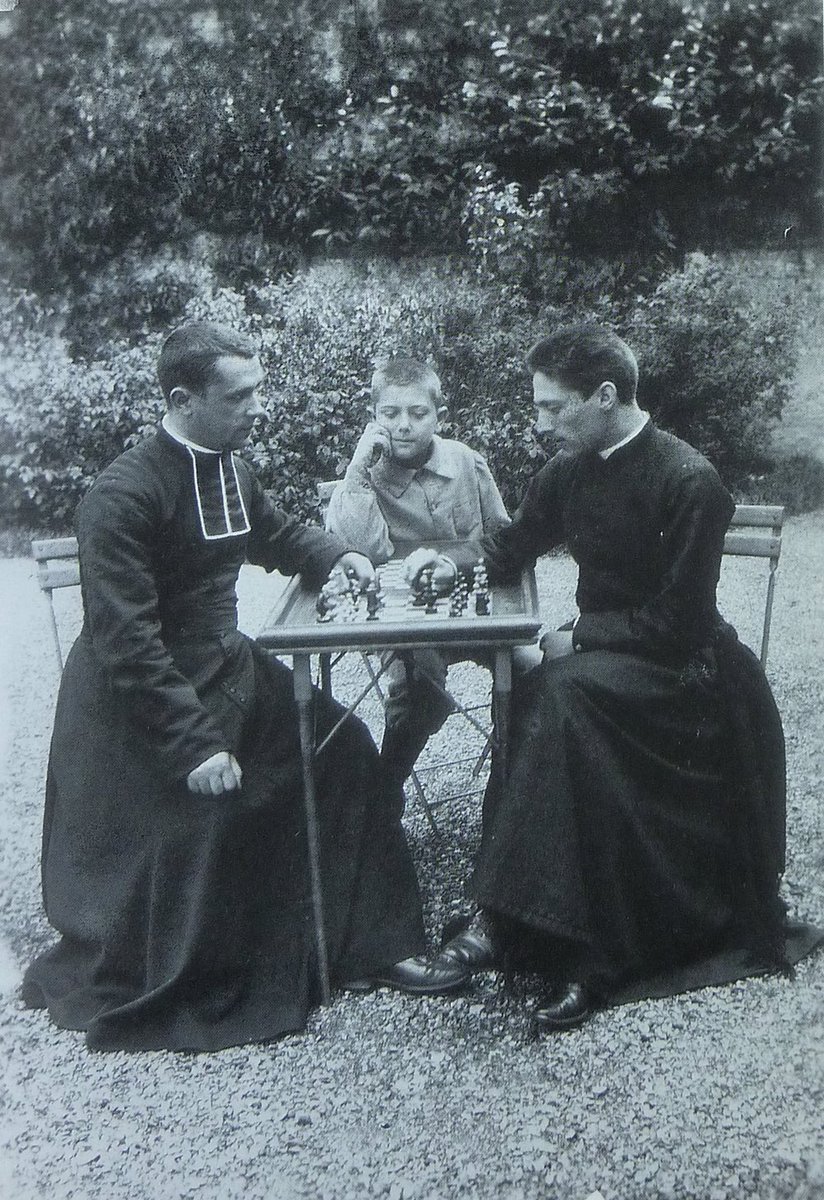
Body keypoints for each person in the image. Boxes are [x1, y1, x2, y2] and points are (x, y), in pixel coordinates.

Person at [22, 322, 467, 1054]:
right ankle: (274, 947)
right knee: (220, 820)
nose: (259, 407)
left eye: (258, 389)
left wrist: (337, 556)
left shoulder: (229, 462)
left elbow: (274, 533)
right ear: (183, 399)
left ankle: (371, 946)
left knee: (347, 747)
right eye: (241, 395)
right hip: (143, 708)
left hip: (227, 665)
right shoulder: (121, 495)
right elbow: (127, 644)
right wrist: (193, 745)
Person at [437, 322, 796, 1031]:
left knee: (563, 692)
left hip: (687, 676)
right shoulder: (569, 468)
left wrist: (576, 637)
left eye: (551, 407)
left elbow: (679, 623)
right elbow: (512, 545)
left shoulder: (689, 479)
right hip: (607, 664)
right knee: (541, 689)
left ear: (605, 396)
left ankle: (579, 954)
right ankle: (514, 916)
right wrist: (446, 565)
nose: (539, 424)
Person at [325, 356, 510, 805]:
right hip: (404, 619)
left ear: (439, 417)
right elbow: (362, 555)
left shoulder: (467, 462)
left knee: (529, 670)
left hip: (471, 607)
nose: (403, 426)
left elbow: (506, 541)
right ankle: (386, 788)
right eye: (390, 414)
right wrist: (356, 474)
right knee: (420, 685)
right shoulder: (365, 476)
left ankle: (507, 790)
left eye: (418, 413)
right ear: (374, 419)